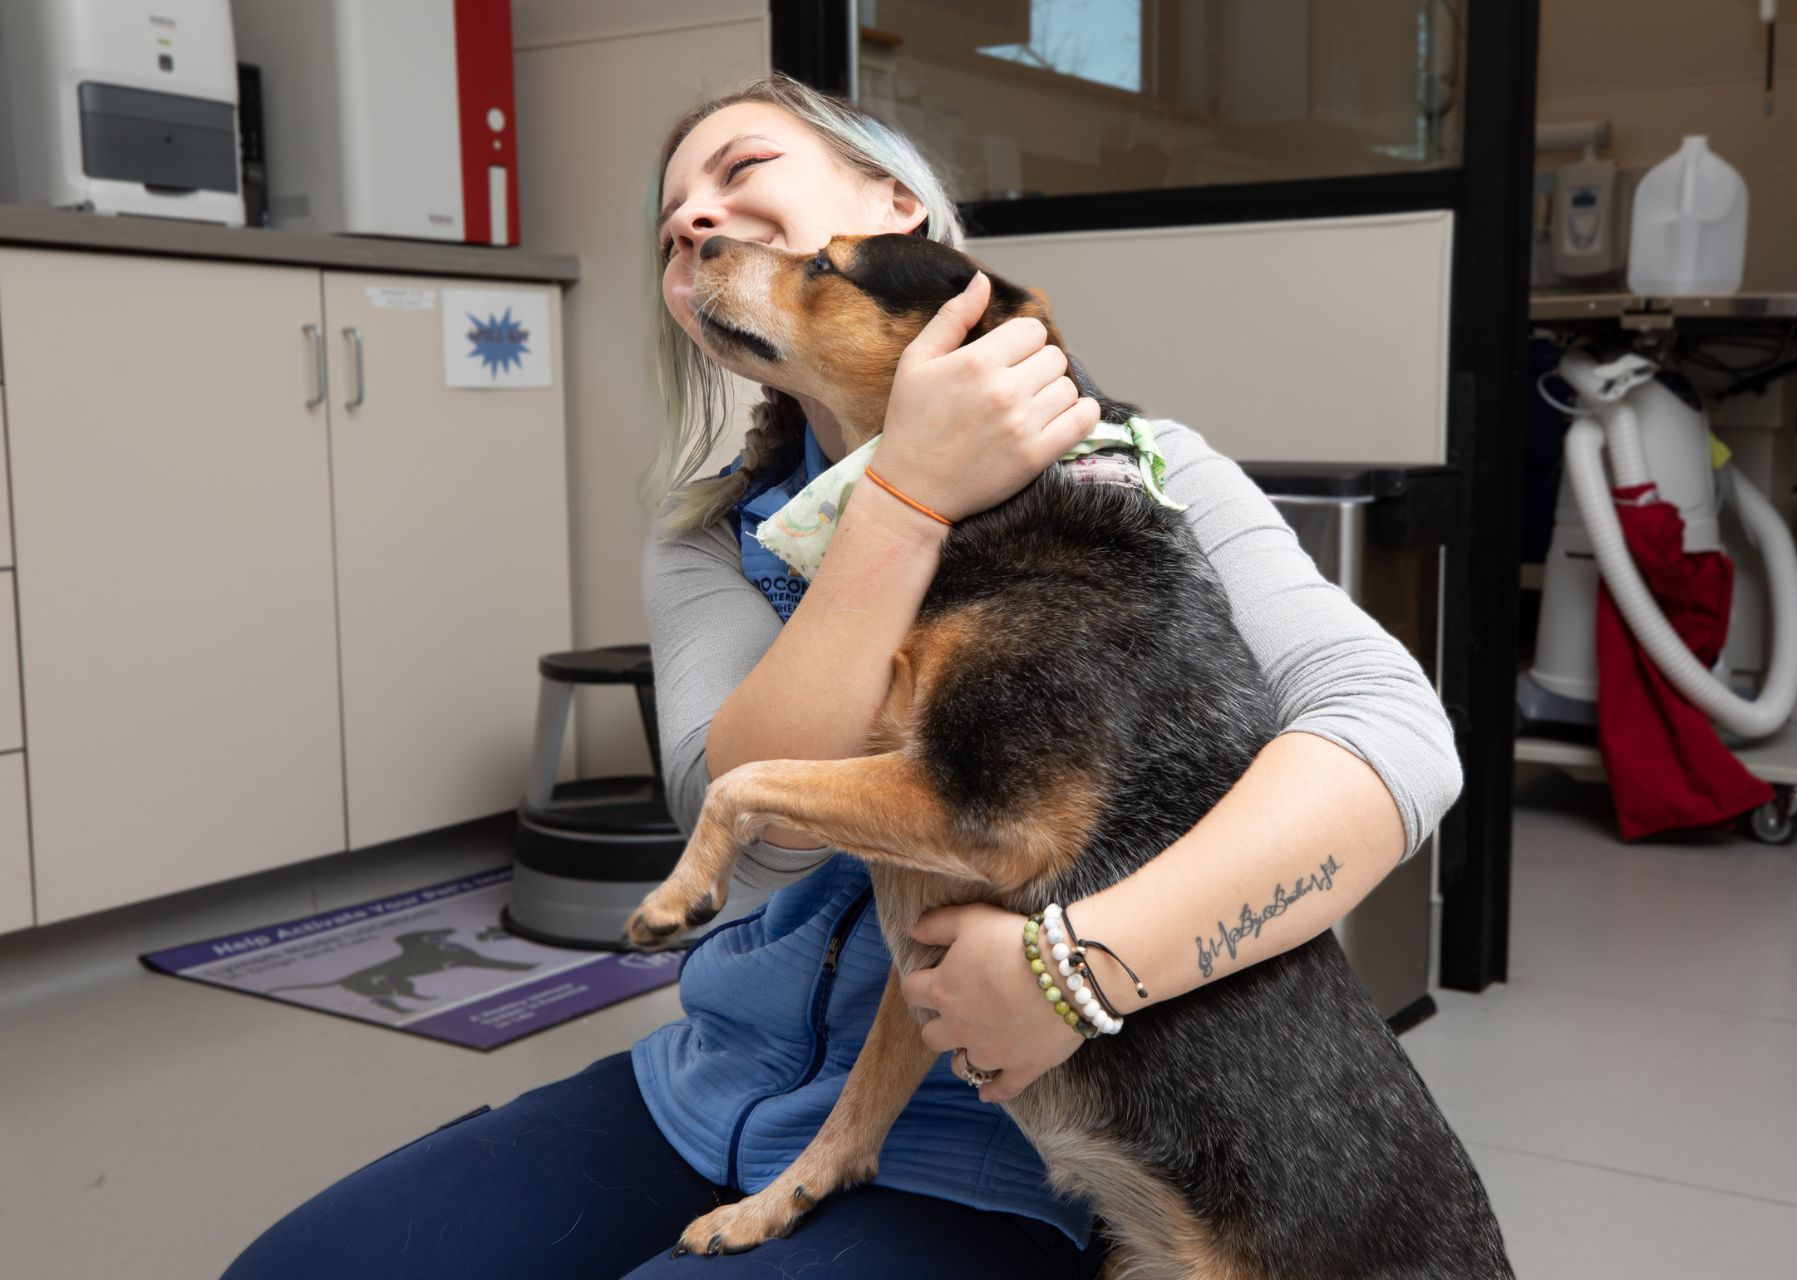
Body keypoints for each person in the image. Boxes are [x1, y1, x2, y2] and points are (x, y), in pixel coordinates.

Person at [223, 73, 1461, 1279]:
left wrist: (1079, 967)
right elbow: (755, 843)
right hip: (711, 1083)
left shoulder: (1136, 470)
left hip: (996, 1143)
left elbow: (1397, 734)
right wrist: (906, 494)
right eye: (671, 228)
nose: (695, 220)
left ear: (893, 208)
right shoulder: (709, 533)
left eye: (741, 171)